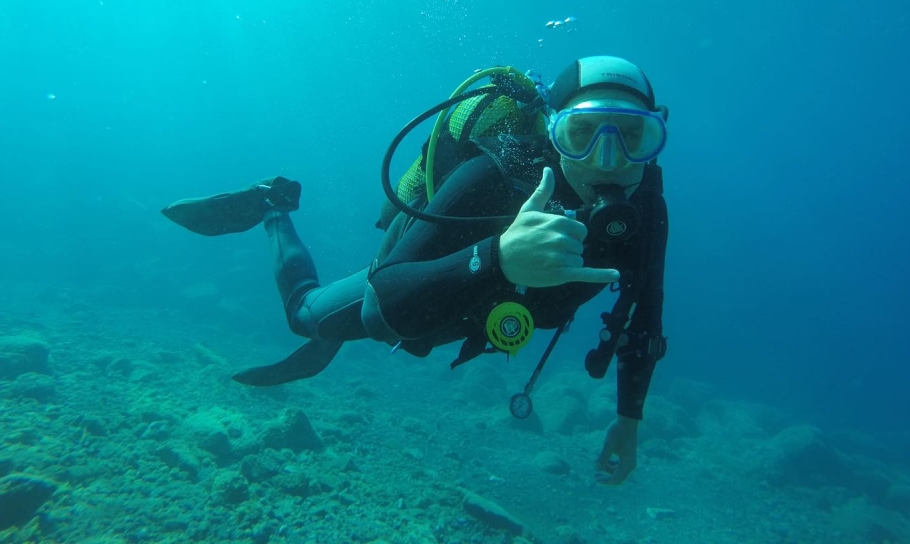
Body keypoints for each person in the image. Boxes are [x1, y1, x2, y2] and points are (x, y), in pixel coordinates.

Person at [162, 55, 670, 485]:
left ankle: (331, 322)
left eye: (634, 137)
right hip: (418, 278)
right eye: (581, 133)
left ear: (655, 140)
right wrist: (499, 257)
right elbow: (383, 306)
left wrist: (629, 420)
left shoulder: (646, 212)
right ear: (554, 133)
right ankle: (273, 204)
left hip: (470, 311)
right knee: (306, 317)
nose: (608, 161)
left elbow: (644, 320)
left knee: (349, 326)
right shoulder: (499, 172)